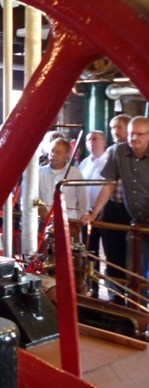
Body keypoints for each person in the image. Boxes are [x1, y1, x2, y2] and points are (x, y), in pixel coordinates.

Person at [81, 116, 149, 289]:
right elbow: (109, 184)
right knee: (135, 272)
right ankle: (132, 304)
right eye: (132, 134)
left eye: (140, 134)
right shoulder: (119, 151)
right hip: (137, 221)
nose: (135, 138)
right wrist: (94, 214)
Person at [100, 114, 132, 301]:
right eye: (113, 128)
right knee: (113, 254)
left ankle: (135, 298)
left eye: (119, 127)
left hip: (132, 210)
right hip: (113, 208)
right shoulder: (113, 151)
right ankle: (115, 296)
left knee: (133, 255)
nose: (115, 131)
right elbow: (108, 183)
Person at [79, 130, 108, 296]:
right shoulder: (84, 163)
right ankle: (92, 288)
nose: (92, 142)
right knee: (90, 251)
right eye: (89, 139)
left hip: (105, 212)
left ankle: (113, 292)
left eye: (95, 139)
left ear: (104, 142)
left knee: (109, 252)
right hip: (87, 212)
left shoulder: (109, 161)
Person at [38, 138, 89, 224]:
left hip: (68, 222)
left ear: (66, 155)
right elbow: (31, 195)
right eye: (52, 151)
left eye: (58, 152)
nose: (53, 155)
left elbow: (83, 199)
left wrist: (78, 222)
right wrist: (40, 208)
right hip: (43, 222)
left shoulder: (75, 173)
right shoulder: (39, 172)